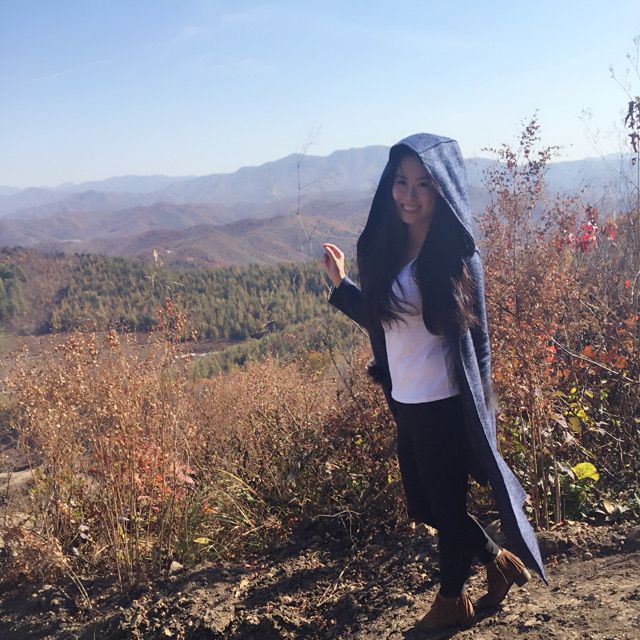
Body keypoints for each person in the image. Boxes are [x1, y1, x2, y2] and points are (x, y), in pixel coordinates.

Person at [322, 133, 546, 632]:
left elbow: (479, 346)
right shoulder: (390, 249)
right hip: (406, 402)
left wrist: (483, 417)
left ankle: (451, 601)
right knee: (427, 505)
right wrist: (342, 286)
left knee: (447, 507)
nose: (409, 194)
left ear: (442, 187)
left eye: (422, 183)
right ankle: (498, 562)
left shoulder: (456, 258)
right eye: (401, 181)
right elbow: (385, 322)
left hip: (444, 404)